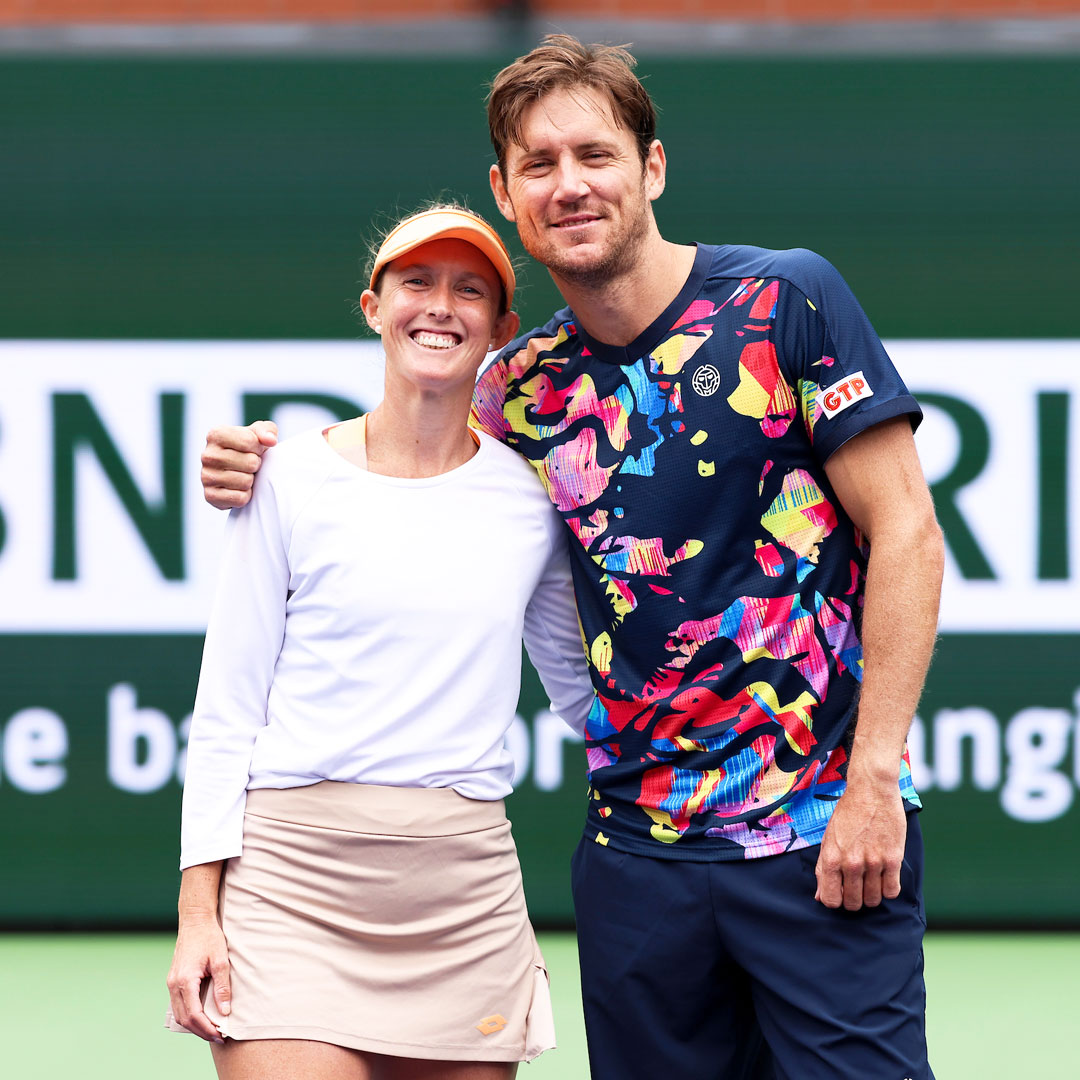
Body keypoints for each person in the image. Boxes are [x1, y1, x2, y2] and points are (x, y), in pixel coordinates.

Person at [200, 36, 945, 1080]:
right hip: (638, 867)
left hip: (824, 840)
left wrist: (875, 781)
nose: (570, 184)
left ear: (652, 168)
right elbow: (400, 463)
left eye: (594, 154)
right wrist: (257, 457)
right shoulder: (518, 392)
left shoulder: (791, 303)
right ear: (507, 192)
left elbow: (908, 533)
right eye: (539, 165)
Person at [167, 204, 596, 1080]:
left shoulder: (532, 499)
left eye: (468, 290)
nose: (440, 306)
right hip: (291, 885)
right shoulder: (281, 475)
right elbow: (226, 708)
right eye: (416, 283)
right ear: (374, 307)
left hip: (463, 897)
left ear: (501, 329)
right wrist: (198, 916)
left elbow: (584, 697)